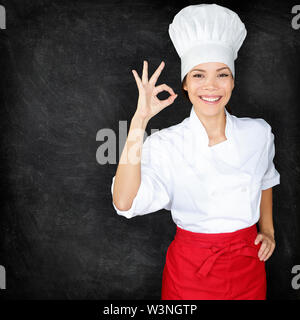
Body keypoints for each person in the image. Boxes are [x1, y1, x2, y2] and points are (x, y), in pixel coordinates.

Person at [111, 4, 280, 300]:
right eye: (199, 75)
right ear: (186, 84)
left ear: (233, 81)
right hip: (191, 272)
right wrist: (139, 121)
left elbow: (266, 178)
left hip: (248, 267)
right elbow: (124, 202)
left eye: (222, 74)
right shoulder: (165, 144)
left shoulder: (259, 133)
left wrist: (268, 230)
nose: (211, 86)